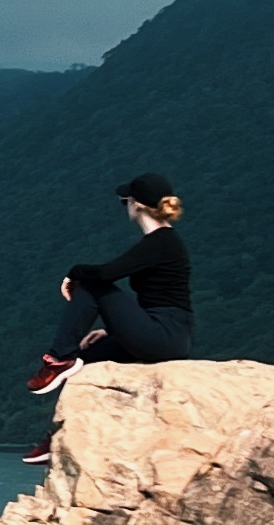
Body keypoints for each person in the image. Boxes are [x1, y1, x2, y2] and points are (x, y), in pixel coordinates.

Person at [21, 175, 190, 460]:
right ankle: (62, 436)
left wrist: (73, 271)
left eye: (126, 200)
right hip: (161, 333)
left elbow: (106, 274)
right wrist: (114, 333)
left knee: (92, 285)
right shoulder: (161, 242)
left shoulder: (161, 242)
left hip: (164, 335)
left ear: (135, 205)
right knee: (86, 360)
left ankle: (57, 358)